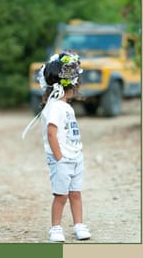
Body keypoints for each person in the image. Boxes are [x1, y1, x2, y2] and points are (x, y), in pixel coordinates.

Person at [22, 51, 92, 242]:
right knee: (61, 195)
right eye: (76, 85)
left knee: (75, 194)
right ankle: (56, 228)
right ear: (70, 86)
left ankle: (79, 225)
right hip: (62, 160)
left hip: (75, 158)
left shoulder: (65, 106)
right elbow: (51, 132)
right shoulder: (55, 107)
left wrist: (76, 153)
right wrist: (59, 157)